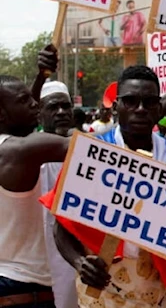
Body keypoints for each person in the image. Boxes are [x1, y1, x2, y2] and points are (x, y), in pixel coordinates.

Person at [41, 66, 166, 308]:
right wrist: (80, 263)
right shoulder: (91, 154)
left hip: (154, 290)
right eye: (130, 101)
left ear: (158, 107)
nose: (140, 109)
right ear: (116, 106)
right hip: (100, 289)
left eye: (149, 102)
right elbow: (61, 227)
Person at [0, 73, 72, 307]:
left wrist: (40, 76)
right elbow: (91, 147)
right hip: (24, 290)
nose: (35, 104)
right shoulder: (18, 151)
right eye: (24, 101)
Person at [38, 81, 79, 308]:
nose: (61, 112)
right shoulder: (28, 153)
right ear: (40, 113)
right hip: (39, 259)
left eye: (66, 106)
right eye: (53, 107)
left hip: (75, 257)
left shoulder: (86, 149)